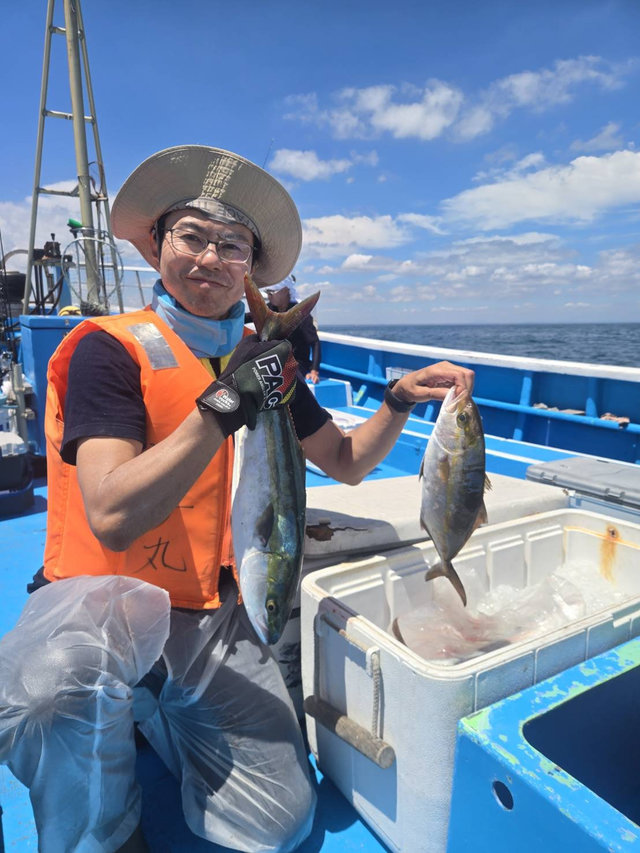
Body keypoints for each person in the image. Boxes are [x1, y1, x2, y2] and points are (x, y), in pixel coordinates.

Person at [0, 145, 474, 853]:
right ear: (158, 244)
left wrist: (397, 399)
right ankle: (105, 829)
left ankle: (152, 706)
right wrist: (227, 402)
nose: (210, 259)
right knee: (41, 700)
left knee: (279, 819)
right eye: (191, 236)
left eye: (233, 246)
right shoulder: (109, 349)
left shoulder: (265, 358)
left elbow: (345, 461)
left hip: (209, 607)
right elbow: (110, 510)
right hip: (101, 597)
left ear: (249, 267)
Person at [264, 274, 322, 384]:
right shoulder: (269, 309)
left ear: (286, 291)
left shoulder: (300, 314)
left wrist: (314, 371)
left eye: (272, 293)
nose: (269, 296)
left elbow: (315, 343)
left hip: (297, 363)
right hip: (274, 361)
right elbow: (250, 316)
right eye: (267, 293)